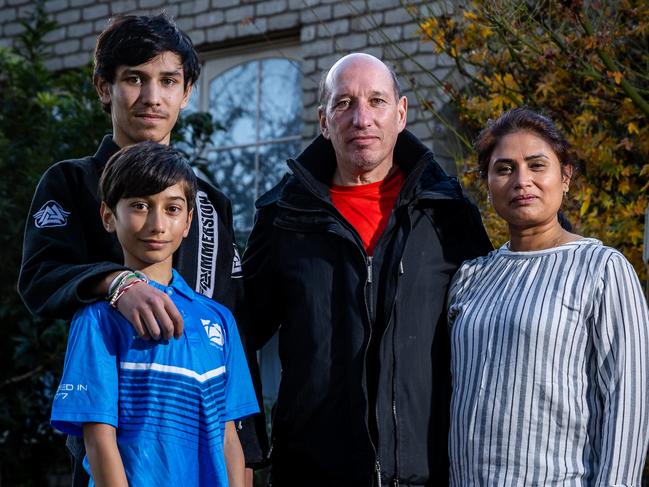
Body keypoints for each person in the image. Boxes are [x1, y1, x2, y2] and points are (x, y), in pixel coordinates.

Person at [18, 13, 265, 486]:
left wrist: (249, 457)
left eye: (168, 80)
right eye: (134, 78)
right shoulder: (71, 183)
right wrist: (116, 282)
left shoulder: (208, 205)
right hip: (117, 444)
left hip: (209, 452)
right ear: (103, 87)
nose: (153, 97)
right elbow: (40, 278)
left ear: (187, 91)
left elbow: (233, 330)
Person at [241, 52, 492, 486]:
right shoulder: (283, 216)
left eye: (376, 101)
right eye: (344, 104)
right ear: (323, 121)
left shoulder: (448, 214)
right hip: (312, 473)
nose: (362, 118)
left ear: (401, 113)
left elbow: (491, 337)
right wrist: (247, 450)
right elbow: (237, 338)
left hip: (429, 472)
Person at [447, 107, 649, 485]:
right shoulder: (470, 276)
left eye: (537, 165)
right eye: (504, 168)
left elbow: (628, 406)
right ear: (487, 183)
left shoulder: (601, 269)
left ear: (565, 176)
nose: (522, 180)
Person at [50, 141, 258, 486]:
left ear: (189, 221)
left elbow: (228, 437)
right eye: (139, 206)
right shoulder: (96, 320)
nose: (157, 224)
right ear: (108, 216)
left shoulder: (219, 320)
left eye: (172, 208)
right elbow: (98, 437)